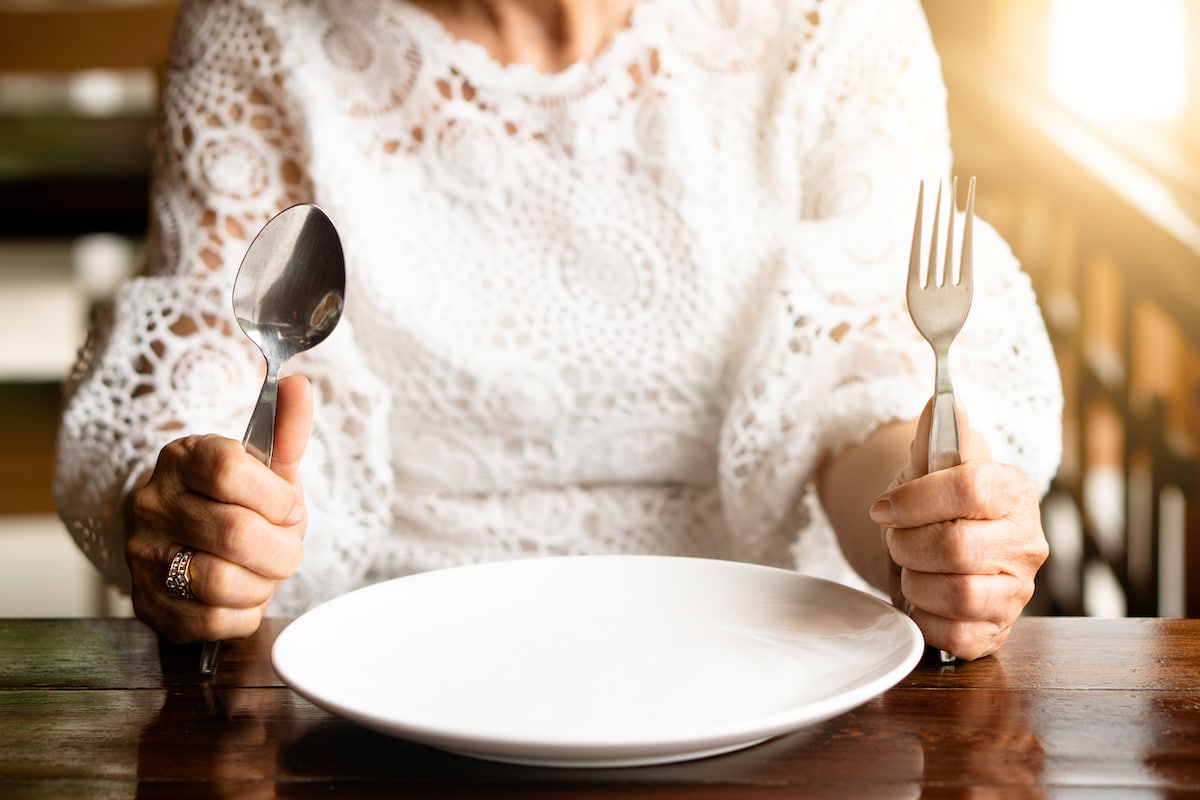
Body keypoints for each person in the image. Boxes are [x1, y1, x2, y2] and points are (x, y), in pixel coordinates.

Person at [54, 0, 1062, 661]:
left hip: (772, 660)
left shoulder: (836, 19)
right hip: (381, 678)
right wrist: (203, 540)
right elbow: (206, 381)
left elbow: (860, 384)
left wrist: (929, 535)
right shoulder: (257, 30)